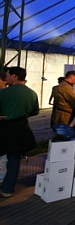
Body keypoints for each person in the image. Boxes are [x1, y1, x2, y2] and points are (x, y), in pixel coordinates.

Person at [0, 66, 39, 197]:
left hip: (4, 128)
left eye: (7, 75)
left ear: (14, 76)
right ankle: (7, 189)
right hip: (21, 128)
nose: (6, 77)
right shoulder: (32, 93)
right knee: (14, 159)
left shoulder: (4, 93)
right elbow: (35, 111)